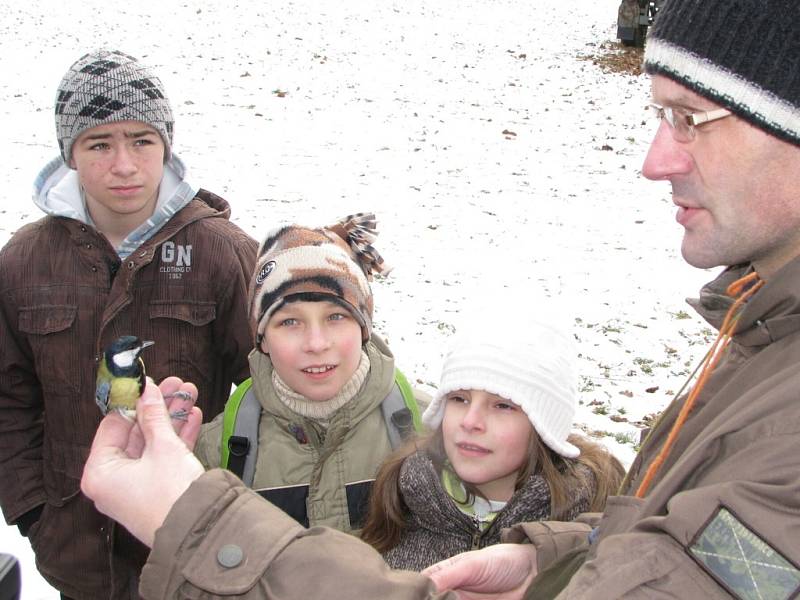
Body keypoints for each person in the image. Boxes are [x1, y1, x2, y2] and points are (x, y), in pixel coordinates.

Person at [80, 0, 800, 597]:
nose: (653, 160)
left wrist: (200, 523)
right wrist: (563, 562)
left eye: (690, 117)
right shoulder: (761, 329)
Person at [0, 49, 257, 599]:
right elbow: (8, 398)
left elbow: (267, 391)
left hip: (196, 551)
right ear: (69, 154)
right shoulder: (23, 261)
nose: (124, 164)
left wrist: (237, 505)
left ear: (166, 145)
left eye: (142, 140)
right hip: (74, 549)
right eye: (99, 144)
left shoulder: (223, 253)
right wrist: (32, 511)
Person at [193, 213, 429, 534]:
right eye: (289, 322)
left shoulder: (430, 428)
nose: (316, 344)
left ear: (363, 328)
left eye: (335, 316)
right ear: (262, 338)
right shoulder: (219, 447)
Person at [361, 308, 624, 570]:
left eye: (502, 406)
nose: (470, 421)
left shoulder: (590, 526)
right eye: (459, 399)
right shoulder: (401, 501)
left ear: (545, 424)